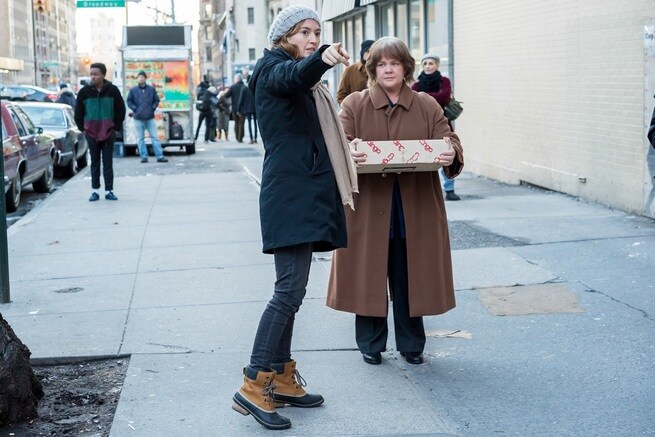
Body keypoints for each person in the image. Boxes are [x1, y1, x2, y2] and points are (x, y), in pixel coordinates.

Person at [231, 5, 356, 431]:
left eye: (316, 32)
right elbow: (294, 76)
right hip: (290, 193)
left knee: (294, 290)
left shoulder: (290, 69)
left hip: (302, 193)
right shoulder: (274, 70)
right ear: (284, 36)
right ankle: (254, 383)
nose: (311, 37)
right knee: (287, 290)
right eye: (304, 32)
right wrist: (320, 59)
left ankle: (281, 376)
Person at [327, 37, 464, 367]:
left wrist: (450, 152)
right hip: (368, 209)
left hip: (413, 208)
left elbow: (450, 139)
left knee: (410, 275)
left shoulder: (427, 105)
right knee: (368, 272)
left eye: (395, 63)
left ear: (406, 68)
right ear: (373, 69)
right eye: (381, 64)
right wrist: (350, 151)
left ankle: (412, 344)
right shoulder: (354, 105)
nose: (388, 70)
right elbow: (337, 144)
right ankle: (370, 344)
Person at [411, 53, 460, 201]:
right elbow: (413, 100)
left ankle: (449, 189)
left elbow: (445, 97)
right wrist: (432, 97)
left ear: (437, 65)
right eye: (425, 63)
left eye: (431, 63)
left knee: (446, 153)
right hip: (422, 125)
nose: (427, 66)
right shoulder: (417, 84)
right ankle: (424, 190)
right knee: (423, 155)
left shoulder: (444, 81)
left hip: (442, 123)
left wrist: (423, 96)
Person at [74, 62, 126, 202]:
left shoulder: (112, 90)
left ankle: (109, 190)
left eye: (96, 74)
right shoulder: (84, 92)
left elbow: (121, 109)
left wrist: (115, 127)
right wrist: (83, 129)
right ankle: (95, 191)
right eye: (91, 74)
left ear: (103, 75)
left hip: (109, 132)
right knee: (95, 162)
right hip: (91, 133)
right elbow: (78, 112)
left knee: (108, 163)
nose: (93, 77)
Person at [126, 71, 168, 163]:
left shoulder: (151, 89)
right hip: (138, 117)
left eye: (142, 77)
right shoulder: (133, 90)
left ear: (145, 78)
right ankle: (144, 157)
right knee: (140, 139)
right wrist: (135, 109)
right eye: (139, 77)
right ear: (137, 79)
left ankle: (160, 156)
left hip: (149, 117)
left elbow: (156, 100)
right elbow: (129, 101)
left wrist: (152, 109)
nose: (141, 78)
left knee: (155, 137)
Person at [336, 39, 374, 104]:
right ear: (363, 52)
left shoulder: (378, 69)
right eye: (368, 51)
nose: (370, 54)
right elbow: (341, 95)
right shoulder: (350, 70)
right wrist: (350, 110)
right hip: (355, 111)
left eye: (373, 52)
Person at [225, 74, 246, 143]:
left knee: (236, 123)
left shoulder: (232, 87)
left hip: (234, 108)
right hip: (243, 109)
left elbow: (226, 95)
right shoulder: (244, 87)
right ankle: (241, 138)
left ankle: (237, 137)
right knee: (241, 124)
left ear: (237, 79)